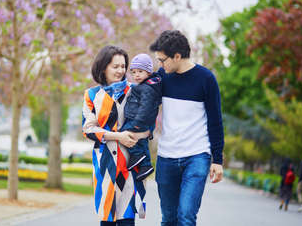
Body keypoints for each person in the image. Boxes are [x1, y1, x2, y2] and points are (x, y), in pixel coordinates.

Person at [149, 30, 224, 226]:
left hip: (197, 156)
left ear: (177, 56)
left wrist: (218, 159)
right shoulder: (162, 77)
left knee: (186, 216)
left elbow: (215, 121)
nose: (160, 65)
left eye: (162, 60)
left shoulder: (206, 79)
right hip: (167, 157)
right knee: (169, 219)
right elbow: (146, 106)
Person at [82, 45, 150, 226]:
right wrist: (118, 136)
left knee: (127, 218)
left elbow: (148, 123)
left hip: (130, 163)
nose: (120, 71)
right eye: (115, 66)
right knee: (107, 218)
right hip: (105, 166)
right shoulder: (92, 95)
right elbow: (88, 129)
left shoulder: (135, 90)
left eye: (123, 66)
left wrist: (139, 134)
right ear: (103, 67)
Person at [121, 53, 161, 181]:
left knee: (125, 133)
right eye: (133, 72)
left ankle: (137, 156)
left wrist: (137, 122)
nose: (136, 75)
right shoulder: (146, 86)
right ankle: (146, 165)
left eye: (140, 71)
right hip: (141, 119)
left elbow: (146, 107)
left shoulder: (146, 88)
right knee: (141, 141)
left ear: (148, 72)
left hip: (139, 120)